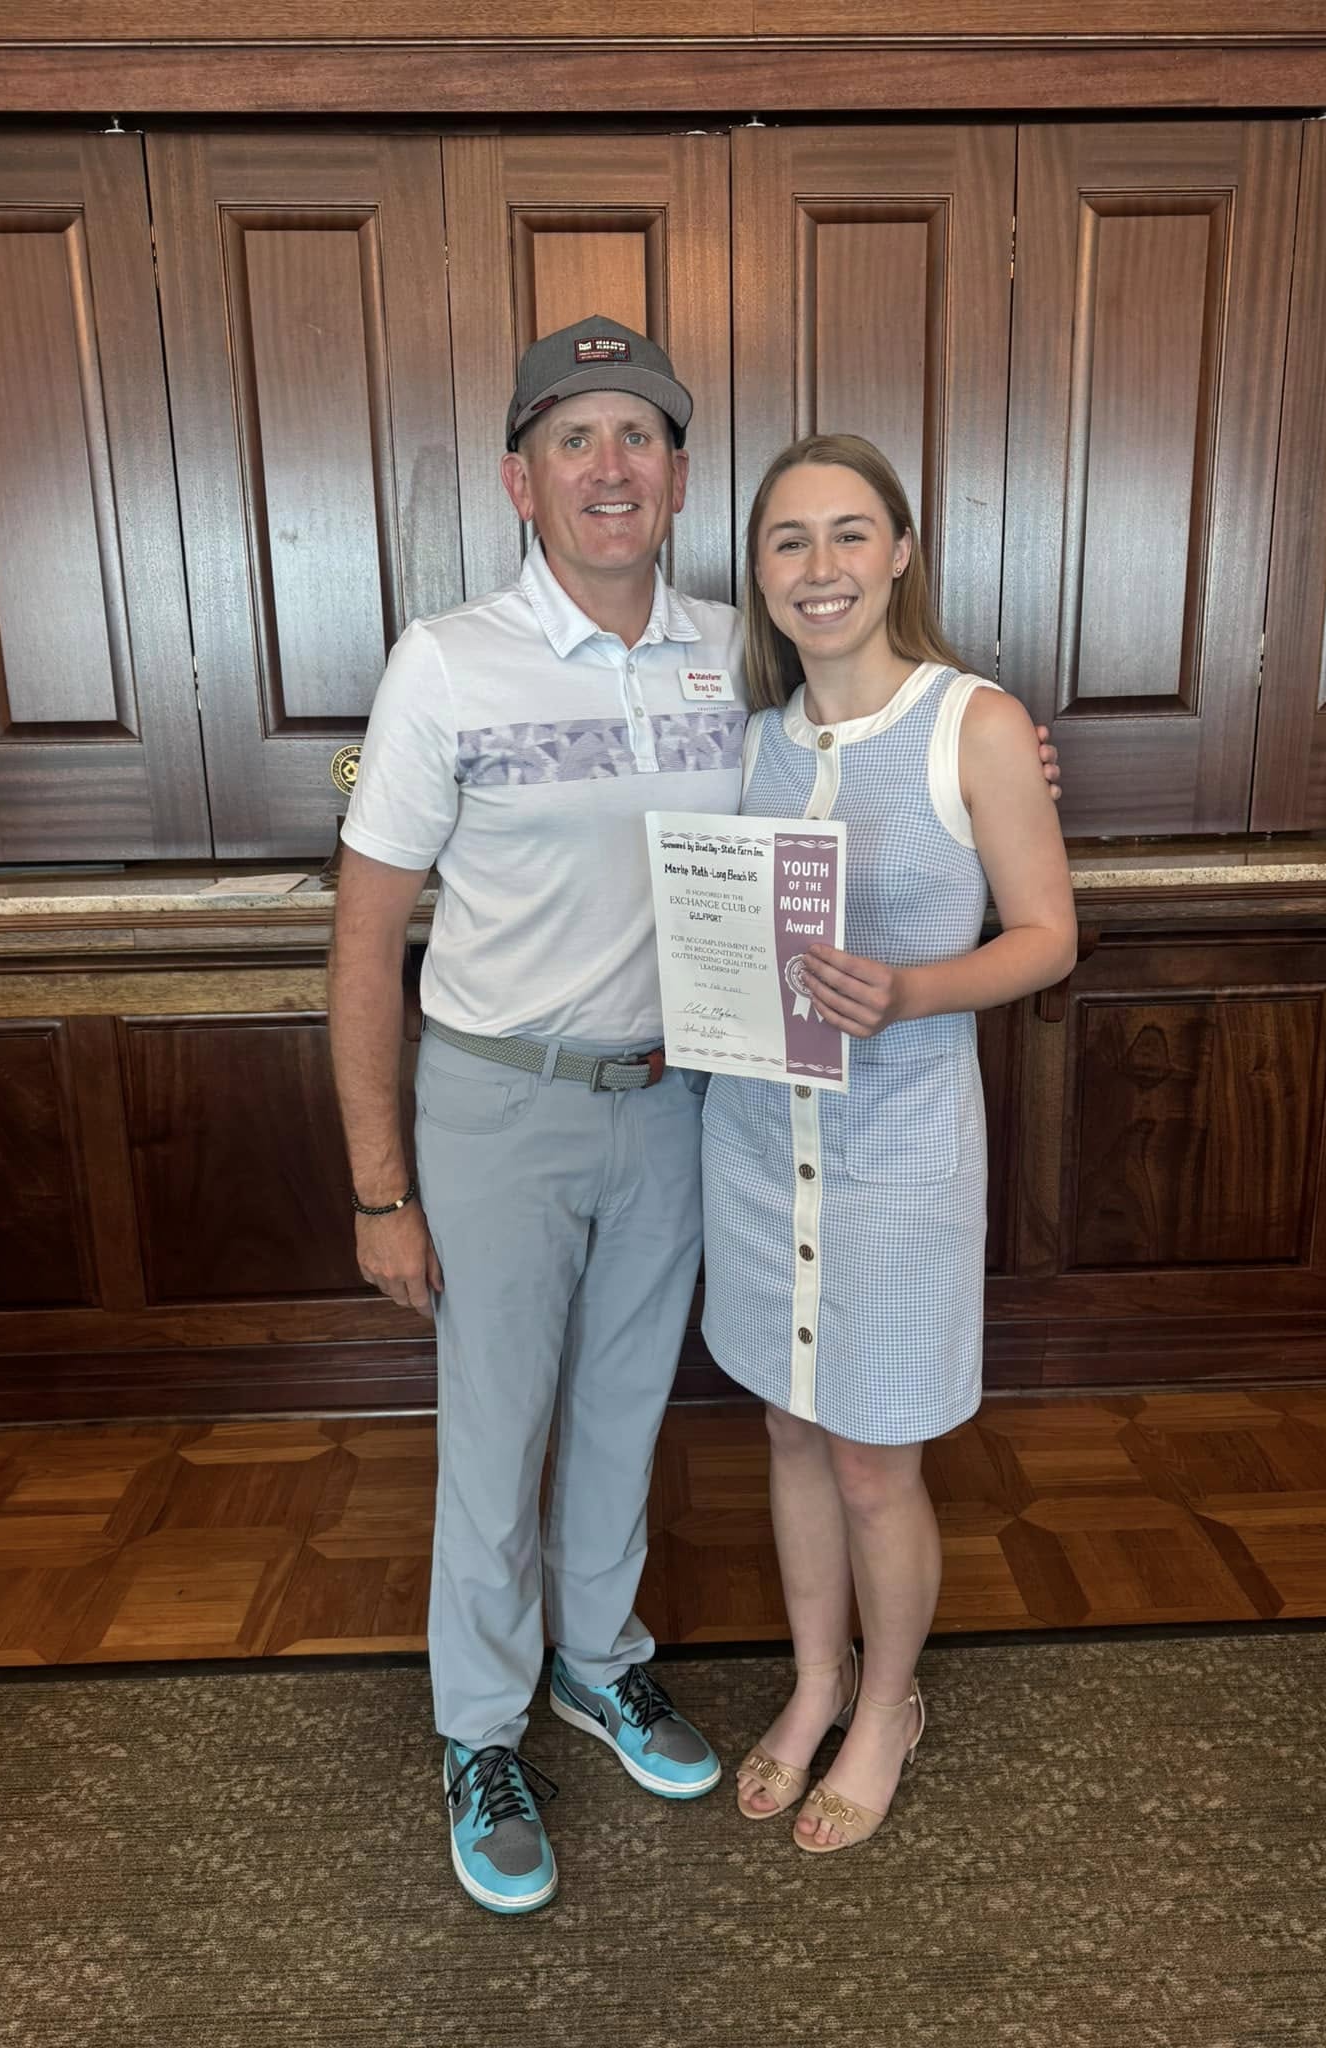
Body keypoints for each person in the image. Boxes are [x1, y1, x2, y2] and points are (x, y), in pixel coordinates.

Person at [327, 319, 1061, 1915]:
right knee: (494, 1430)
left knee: (621, 1422)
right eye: (574, 440)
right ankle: (479, 1730)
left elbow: (897, 740)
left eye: (638, 439)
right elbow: (366, 930)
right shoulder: (445, 659)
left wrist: (1003, 751)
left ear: (673, 478)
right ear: (521, 480)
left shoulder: (742, 653)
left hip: (685, 1103)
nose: (609, 468)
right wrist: (382, 1185)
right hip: (500, 1104)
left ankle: (600, 1668)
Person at [705, 434, 1077, 1856]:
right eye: (790, 541)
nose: (822, 568)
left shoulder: (976, 724)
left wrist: (914, 990)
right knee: (790, 1429)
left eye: (850, 535)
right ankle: (813, 1685)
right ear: (760, 571)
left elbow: (1049, 939)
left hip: (901, 1148)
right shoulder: (752, 739)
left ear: (902, 551)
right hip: (751, 1142)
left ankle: (887, 1707)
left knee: (875, 1460)